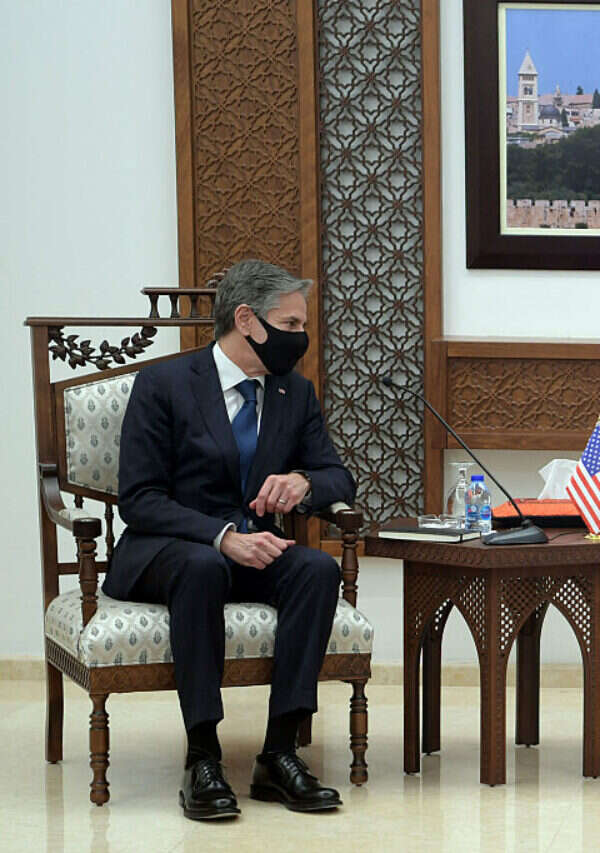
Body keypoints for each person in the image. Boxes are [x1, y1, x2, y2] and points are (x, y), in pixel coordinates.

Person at [105, 259, 356, 820]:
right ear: (246, 320)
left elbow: (339, 477)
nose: (301, 336)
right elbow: (140, 499)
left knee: (317, 570)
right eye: (290, 324)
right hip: (167, 549)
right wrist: (220, 537)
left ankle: (279, 754)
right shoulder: (164, 384)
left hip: (250, 546)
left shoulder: (294, 393)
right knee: (202, 567)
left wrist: (303, 482)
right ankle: (202, 757)